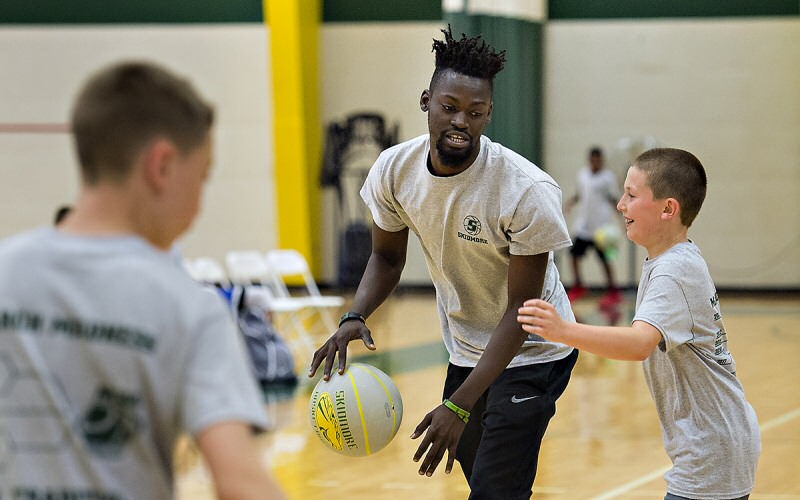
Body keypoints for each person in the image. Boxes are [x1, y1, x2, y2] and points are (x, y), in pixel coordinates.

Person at [309, 26, 578, 499]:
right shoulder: (394, 171)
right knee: (488, 485)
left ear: (489, 114)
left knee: (495, 493)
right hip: (467, 347)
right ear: (426, 101)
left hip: (534, 349)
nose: (461, 121)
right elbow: (386, 258)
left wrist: (458, 406)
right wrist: (355, 315)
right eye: (449, 107)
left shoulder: (525, 191)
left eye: (475, 112)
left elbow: (522, 310)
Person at [0, 61, 286, 500]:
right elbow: (240, 483)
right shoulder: (189, 307)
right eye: (203, 177)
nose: (200, 205)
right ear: (163, 166)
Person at [518, 148, 761, 500]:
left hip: (712, 453)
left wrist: (563, 330)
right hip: (719, 443)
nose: (620, 205)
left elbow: (638, 344)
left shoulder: (674, 270)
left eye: (631, 196)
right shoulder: (672, 260)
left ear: (668, 209)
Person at [564, 146, 622, 306]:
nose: (595, 162)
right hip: (584, 225)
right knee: (574, 255)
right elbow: (580, 194)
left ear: (601, 160)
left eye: (598, 160)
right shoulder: (583, 175)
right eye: (593, 159)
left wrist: (622, 216)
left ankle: (614, 291)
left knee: (605, 260)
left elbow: (613, 199)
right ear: (590, 160)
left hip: (602, 227)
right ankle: (579, 285)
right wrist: (570, 202)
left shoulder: (608, 178)